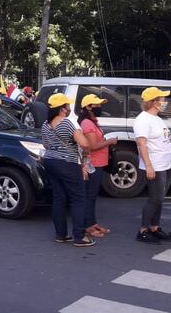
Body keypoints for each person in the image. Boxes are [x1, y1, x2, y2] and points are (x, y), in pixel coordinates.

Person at [42, 93, 94, 247]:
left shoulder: (45, 124)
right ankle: (79, 236)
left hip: (50, 161)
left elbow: (45, 144)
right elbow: (85, 144)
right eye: (68, 105)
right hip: (67, 163)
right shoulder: (67, 123)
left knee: (59, 198)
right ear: (62, 108)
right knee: (78, 199)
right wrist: (85, 155)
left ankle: (61, 234)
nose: (69, 108)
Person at [134, 87, 171, 244]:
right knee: (155, 199)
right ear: (153, 101)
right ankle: (143, 230)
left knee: (160, 199)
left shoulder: (157, 118)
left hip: (165, 164)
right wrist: (149, 166)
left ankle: (154, 227)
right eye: (162, 99)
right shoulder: (143, 119)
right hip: (155, 165)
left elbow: (160, 139)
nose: (164, 102)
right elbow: (142, 144)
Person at [78, 94, 117, 238]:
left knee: (93, 196)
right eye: (97, 105)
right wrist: (110, 141)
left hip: (98, 163)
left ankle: (92, 223)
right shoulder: (87, 123)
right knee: (90, 196)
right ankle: (88, 226)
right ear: (88, 107)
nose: (100, 107)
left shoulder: (92, 122)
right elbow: (92, 146)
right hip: (93, 164)